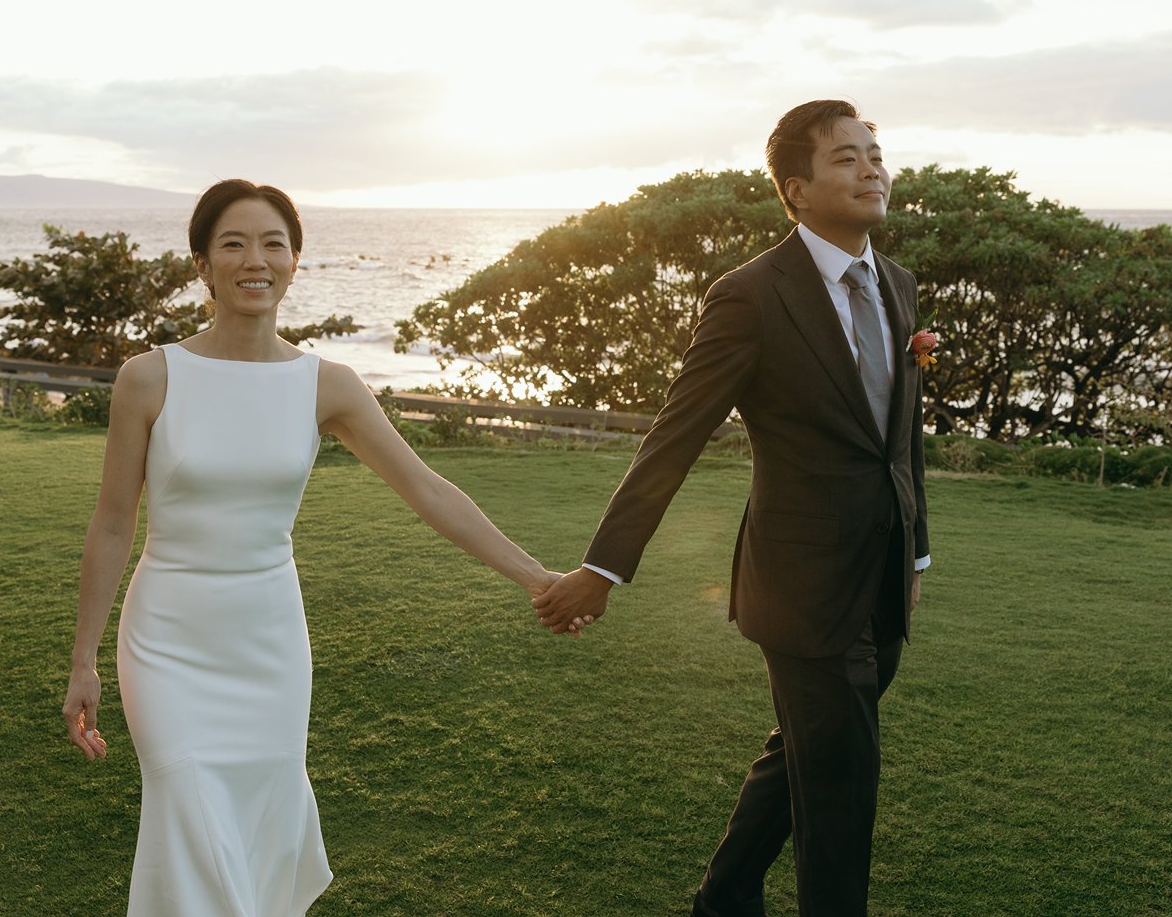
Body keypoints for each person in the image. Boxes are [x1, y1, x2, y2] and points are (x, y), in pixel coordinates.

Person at [61, 178, 561, 917]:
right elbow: (111, 522)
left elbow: (428, 490)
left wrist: (536, 576)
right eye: (233, 243)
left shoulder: (328, 385)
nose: (253, 259)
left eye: (273, 243)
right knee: (188, 809)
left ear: (295, 260)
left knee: (261, 827)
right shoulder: (150, 377)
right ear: (202, 263)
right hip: (168, 636)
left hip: (269, 642)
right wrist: (83, 658)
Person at [534, 99, 932, 917]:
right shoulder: (751, 296)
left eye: (875, 153)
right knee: (840, 793)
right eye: (846, 159)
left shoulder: (897, 283)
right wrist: (604, 567)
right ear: (796, 190)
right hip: (800, 587)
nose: (871, 169)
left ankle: (724, 895)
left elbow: (900, 439)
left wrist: (915, 549)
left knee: (807, 755)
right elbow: (675, 437)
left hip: (884, 574)